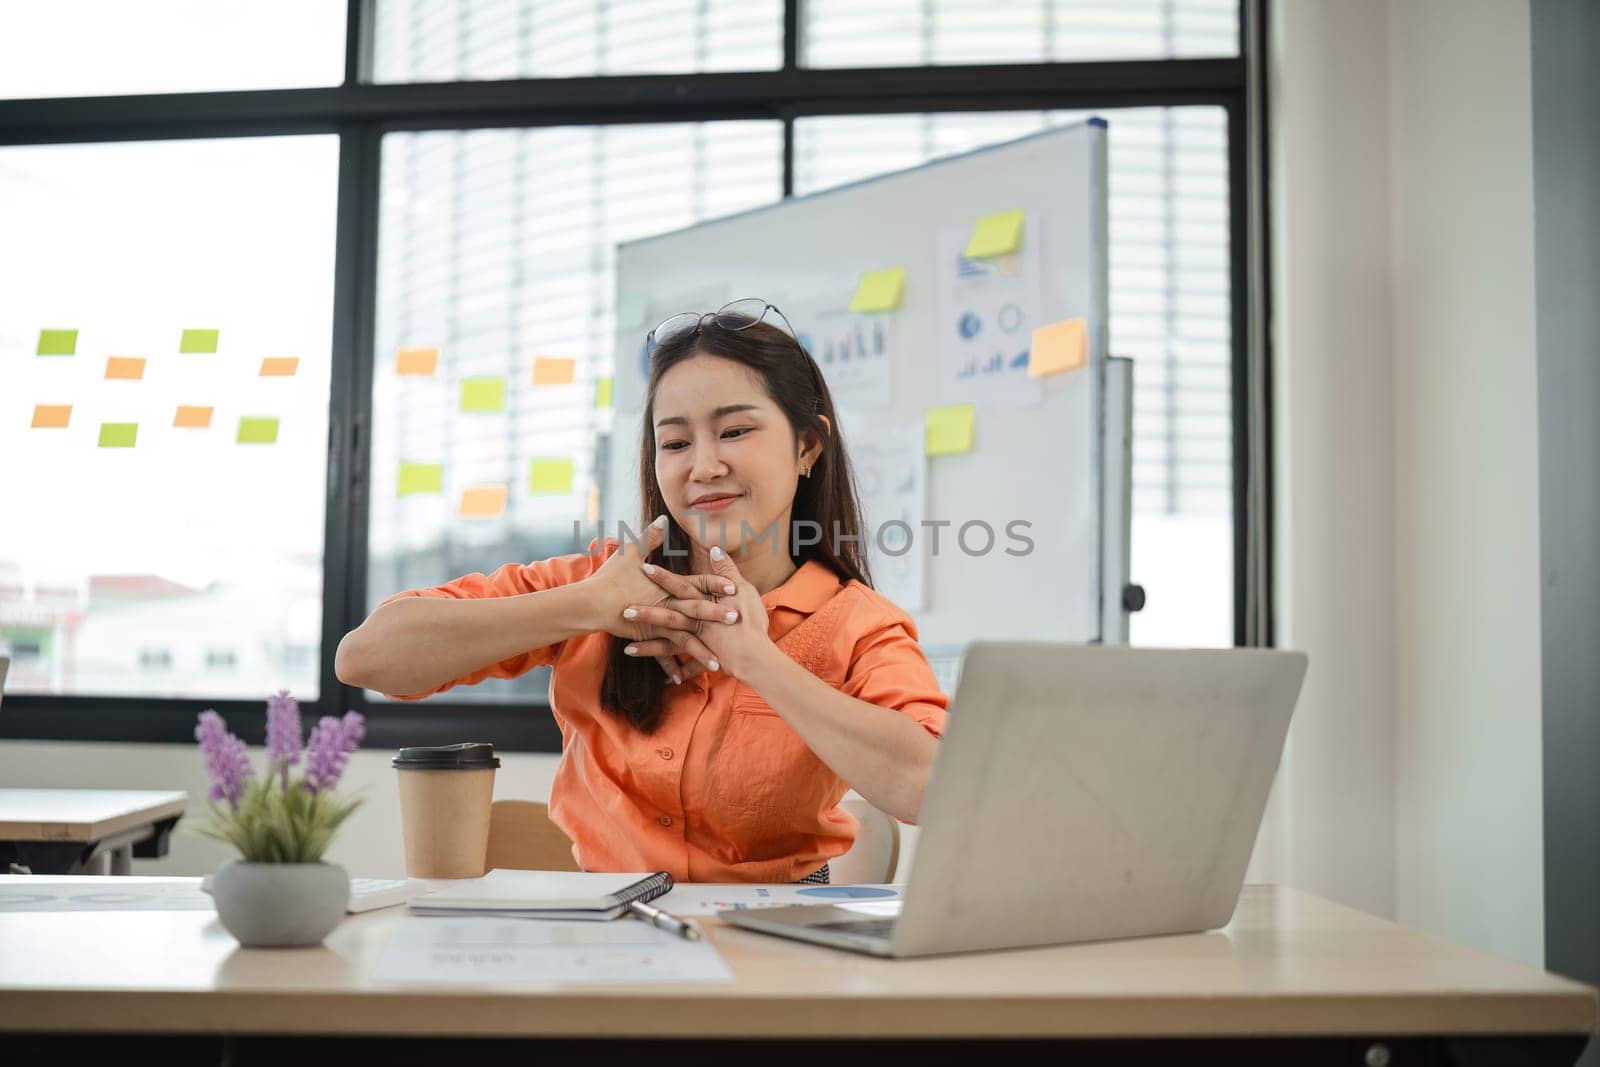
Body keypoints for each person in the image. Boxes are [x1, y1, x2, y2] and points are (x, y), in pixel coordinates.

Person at [335, 301, 947, 883]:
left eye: (734, 431)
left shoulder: (857, 623)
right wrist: (586, 608)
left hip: (776, 942)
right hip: (610, 941)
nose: (702, 466)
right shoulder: (602, 582)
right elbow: (366, 659)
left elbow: (933, 786)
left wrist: (758, 662)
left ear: (807, 445)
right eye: (675, 443)